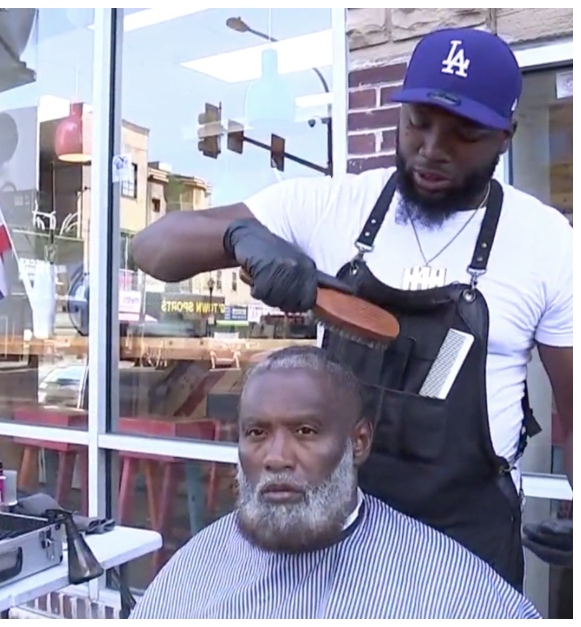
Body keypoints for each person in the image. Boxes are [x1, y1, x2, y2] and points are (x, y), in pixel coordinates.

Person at [130, 27, 572, 590]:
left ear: (505, 137)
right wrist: (240, 237)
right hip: (330, 537)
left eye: (464, 134)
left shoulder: (545, 242)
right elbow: (153, 248)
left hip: (469, 544)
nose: (433, 148)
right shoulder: (330, 207)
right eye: (417, 123)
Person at [131, 346, 540, 619]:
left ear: (358, 442)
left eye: (305, 431)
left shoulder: (449, 588)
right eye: (256, 433)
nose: (276, 457)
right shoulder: (197, 566)